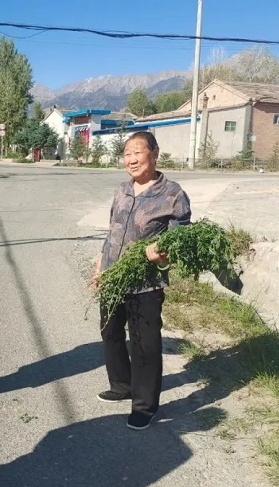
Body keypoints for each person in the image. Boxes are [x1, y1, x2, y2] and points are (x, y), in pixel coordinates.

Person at [92, 131, 191, 431]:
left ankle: (144, 405)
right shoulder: (122, 190)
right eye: (127, 154)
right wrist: (100, 264)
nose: (132, 159)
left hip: (145, 282)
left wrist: (161, 256)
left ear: (155, 154)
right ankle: (122, 385)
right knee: (110, 332)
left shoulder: (172, 194)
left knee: (144, 343)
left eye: (138, 152)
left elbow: (180, 241)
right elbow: (112, 230)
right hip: (113, 275)